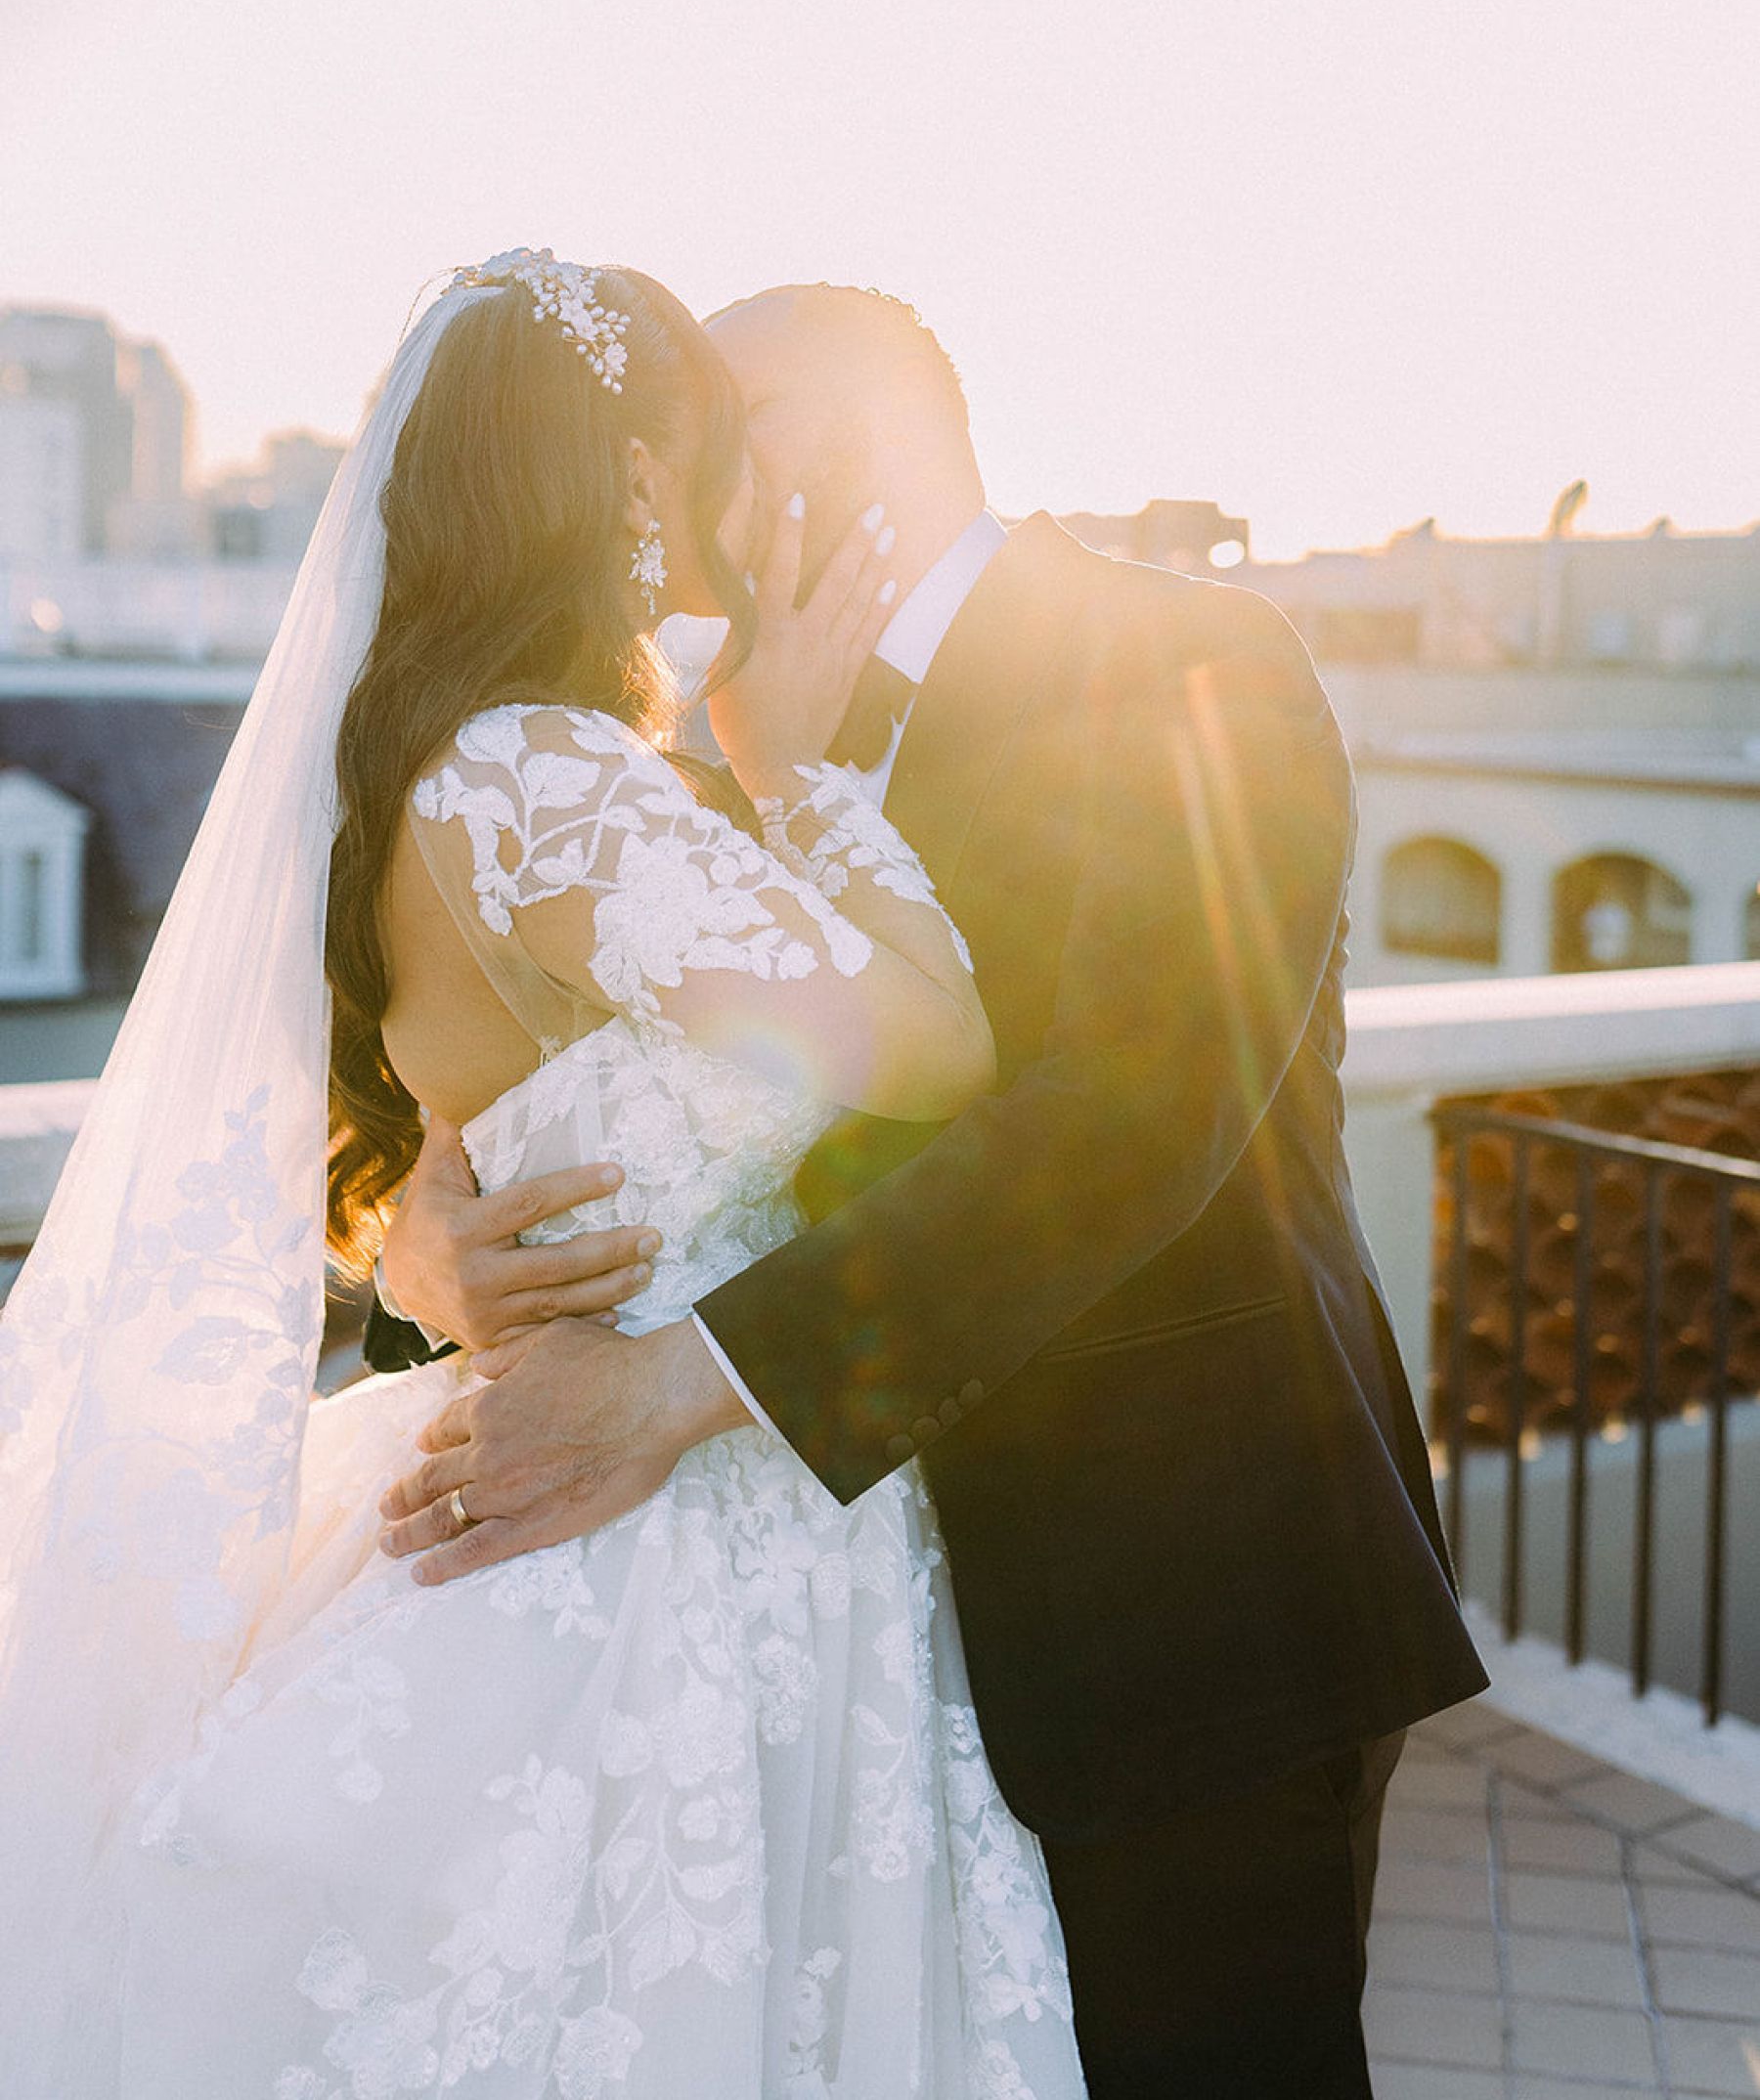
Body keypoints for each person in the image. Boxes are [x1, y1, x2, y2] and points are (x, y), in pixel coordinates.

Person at [371, 283, 1490, 2098]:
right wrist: (417, 1253)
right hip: (831, 1662)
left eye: (706, 437)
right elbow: (588, 1085)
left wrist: (678, 1386)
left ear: (821, 456)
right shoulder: (678, 751)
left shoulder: (1193, 662)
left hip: (1178, 1605)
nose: (659, 482)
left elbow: (1134, 1116)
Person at [0, 254, 1086, 2099]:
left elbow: (439, 1127)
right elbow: (933, 1046)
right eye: (710, 445)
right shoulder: (552, 776)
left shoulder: (431, 765)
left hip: (629, 1468)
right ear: (637, 477)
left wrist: (412, 1241)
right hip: (676, 1538)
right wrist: (799, 774)